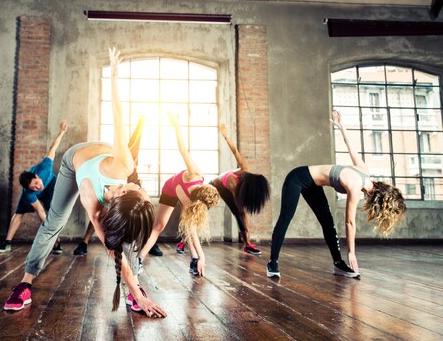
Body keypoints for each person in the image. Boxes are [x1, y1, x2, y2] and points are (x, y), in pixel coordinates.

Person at [3, 48, 166, 318]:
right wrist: (113, 76)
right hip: (74, 161)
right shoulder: (120, 168)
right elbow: (118, 118)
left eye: (140, 190)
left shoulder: (118, 199)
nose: (141, 188)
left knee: (124, 234)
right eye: (141, 190)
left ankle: (135, 287)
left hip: (96, 168)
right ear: (125, 188)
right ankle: (24, 283)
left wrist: (135, 291)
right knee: (54, 223)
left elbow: (114, 251)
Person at [266, 110, 406, 279]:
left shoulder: (365, 172)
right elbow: (349, 222)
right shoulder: (355, 186)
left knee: (328, 223)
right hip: (297, 177)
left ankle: (338, 264)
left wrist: (341, 125)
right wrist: (352, 253)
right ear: (378, 198)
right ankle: (272, 262)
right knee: (285, 217)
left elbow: (350, 147)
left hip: (313, 185)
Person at [137, 113, 220, 277]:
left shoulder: (193, 203)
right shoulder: (195, 173)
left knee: (190, 228)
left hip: (184, 195)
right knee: (158, 226)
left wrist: (200, 255)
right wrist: (177, 126)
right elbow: (183, 150)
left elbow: (191, 228)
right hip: (170, 188)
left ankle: (194, 259)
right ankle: (139, 259)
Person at [71, 116, 163, 257]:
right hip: (121, 186)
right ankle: (85, 241)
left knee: (139, 213)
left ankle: (148, 243)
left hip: (130, 186)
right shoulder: (123, 162)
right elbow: (133, 141)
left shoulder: (133, 180)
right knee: (100, 213)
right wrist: (140, 123)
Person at [0, 120, 68, 255]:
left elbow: (53, 148)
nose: (37, 187)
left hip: (51, 187)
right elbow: (40, 212)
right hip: (32, 198)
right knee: (19, 213)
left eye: (36, 183)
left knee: (54, 214)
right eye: (33, 187)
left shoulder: (44, 168)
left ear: (37, 176)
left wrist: (62, 132)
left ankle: (57, 241)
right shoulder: (29, 193)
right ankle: (7, 243)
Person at [210, 123, 270, 255]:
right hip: (214, 185)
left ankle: (247, 244)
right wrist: (225, 136)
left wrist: (248, 235)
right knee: (200, 209)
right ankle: (184, 241)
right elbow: (235, 151)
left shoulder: (243, 186)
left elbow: (242, 212)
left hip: (227, 189)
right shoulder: (237, 179)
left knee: (239, 215)